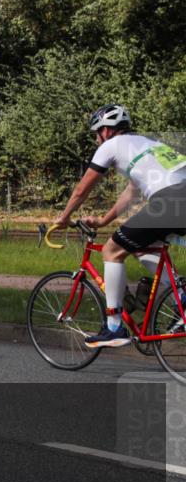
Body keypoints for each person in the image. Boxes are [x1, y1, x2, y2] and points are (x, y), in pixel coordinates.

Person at [54, 104, 186, 348]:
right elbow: (131, 192)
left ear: (106, 130)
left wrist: (64, 217)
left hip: (170, 200)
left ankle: (114, 326)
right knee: (142, 246)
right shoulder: (146, 144)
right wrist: (104, 220)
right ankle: (182, 300)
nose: (96, 139)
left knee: (111, 251)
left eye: (96, 133)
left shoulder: (110, 146)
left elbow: (83, 188)